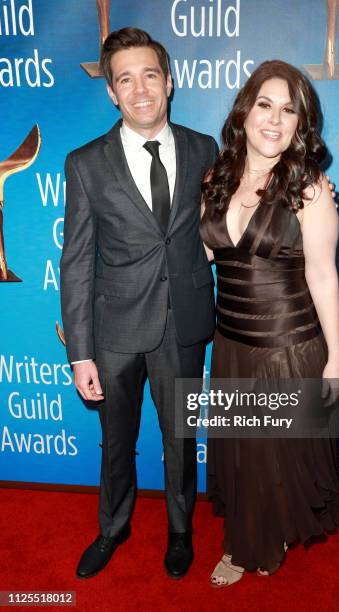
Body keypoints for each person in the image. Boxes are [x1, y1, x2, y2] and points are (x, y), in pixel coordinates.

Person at [60, 27, 218, 580]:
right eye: (124, 79)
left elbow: (214, 228)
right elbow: (76, 261)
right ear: (111, 92)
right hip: (115, 330)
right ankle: (113, 527)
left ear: (169, 82)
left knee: (182, 439)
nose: (140, 89)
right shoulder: (84, 163)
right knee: (116, 442)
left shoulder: (204, 148)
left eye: (150, 74)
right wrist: (80, 353)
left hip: (185, 325)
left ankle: (180, 530)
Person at [200, 60, 339, 586]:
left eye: (289, 111)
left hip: (287, 346)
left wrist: (333, 360)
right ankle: (250, 536)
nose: (275, 120)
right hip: (232, 344)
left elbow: (324, 276)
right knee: (244, 457)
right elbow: (207, 256)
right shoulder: (215, 178)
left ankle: (249, 548)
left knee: (275, 458)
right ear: (244, 111)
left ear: (300, 125)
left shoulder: (310, 190)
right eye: (265, 104)